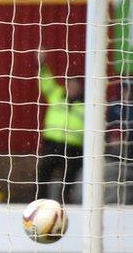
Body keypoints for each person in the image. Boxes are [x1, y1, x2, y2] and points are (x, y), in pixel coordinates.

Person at [36, 57, 84, 204]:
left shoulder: (87, 104)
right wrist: (42, 63)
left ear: (80, 88)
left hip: (74, 147)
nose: (72, 88)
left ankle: (65, 202)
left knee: (70, 175)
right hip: (53, 143)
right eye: (70, 84)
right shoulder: (56, 95)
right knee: (44, 170)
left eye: (75, 85)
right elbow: (45, 81)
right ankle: (40, 201)